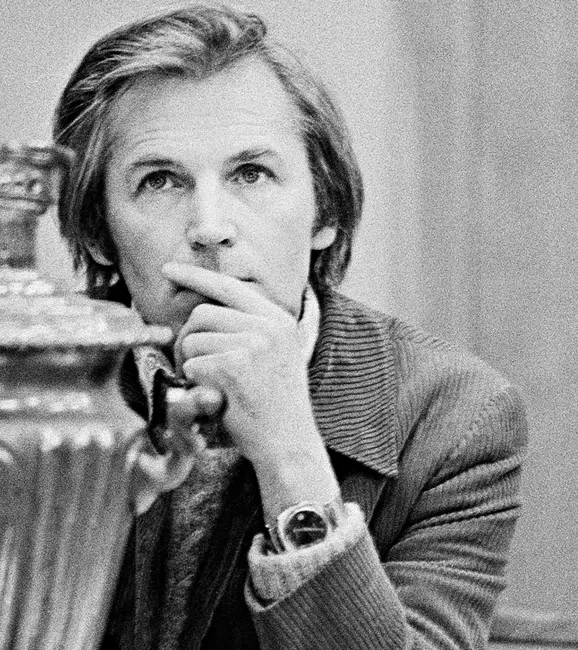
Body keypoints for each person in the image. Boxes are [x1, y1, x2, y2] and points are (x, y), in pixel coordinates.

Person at [53, 5, 528, 649]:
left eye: (252, 174)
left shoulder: (458, 417)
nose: (209, 228)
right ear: (97, 231)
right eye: (160, 181)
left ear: (323, 214)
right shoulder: (18, 385)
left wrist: (290, 453)